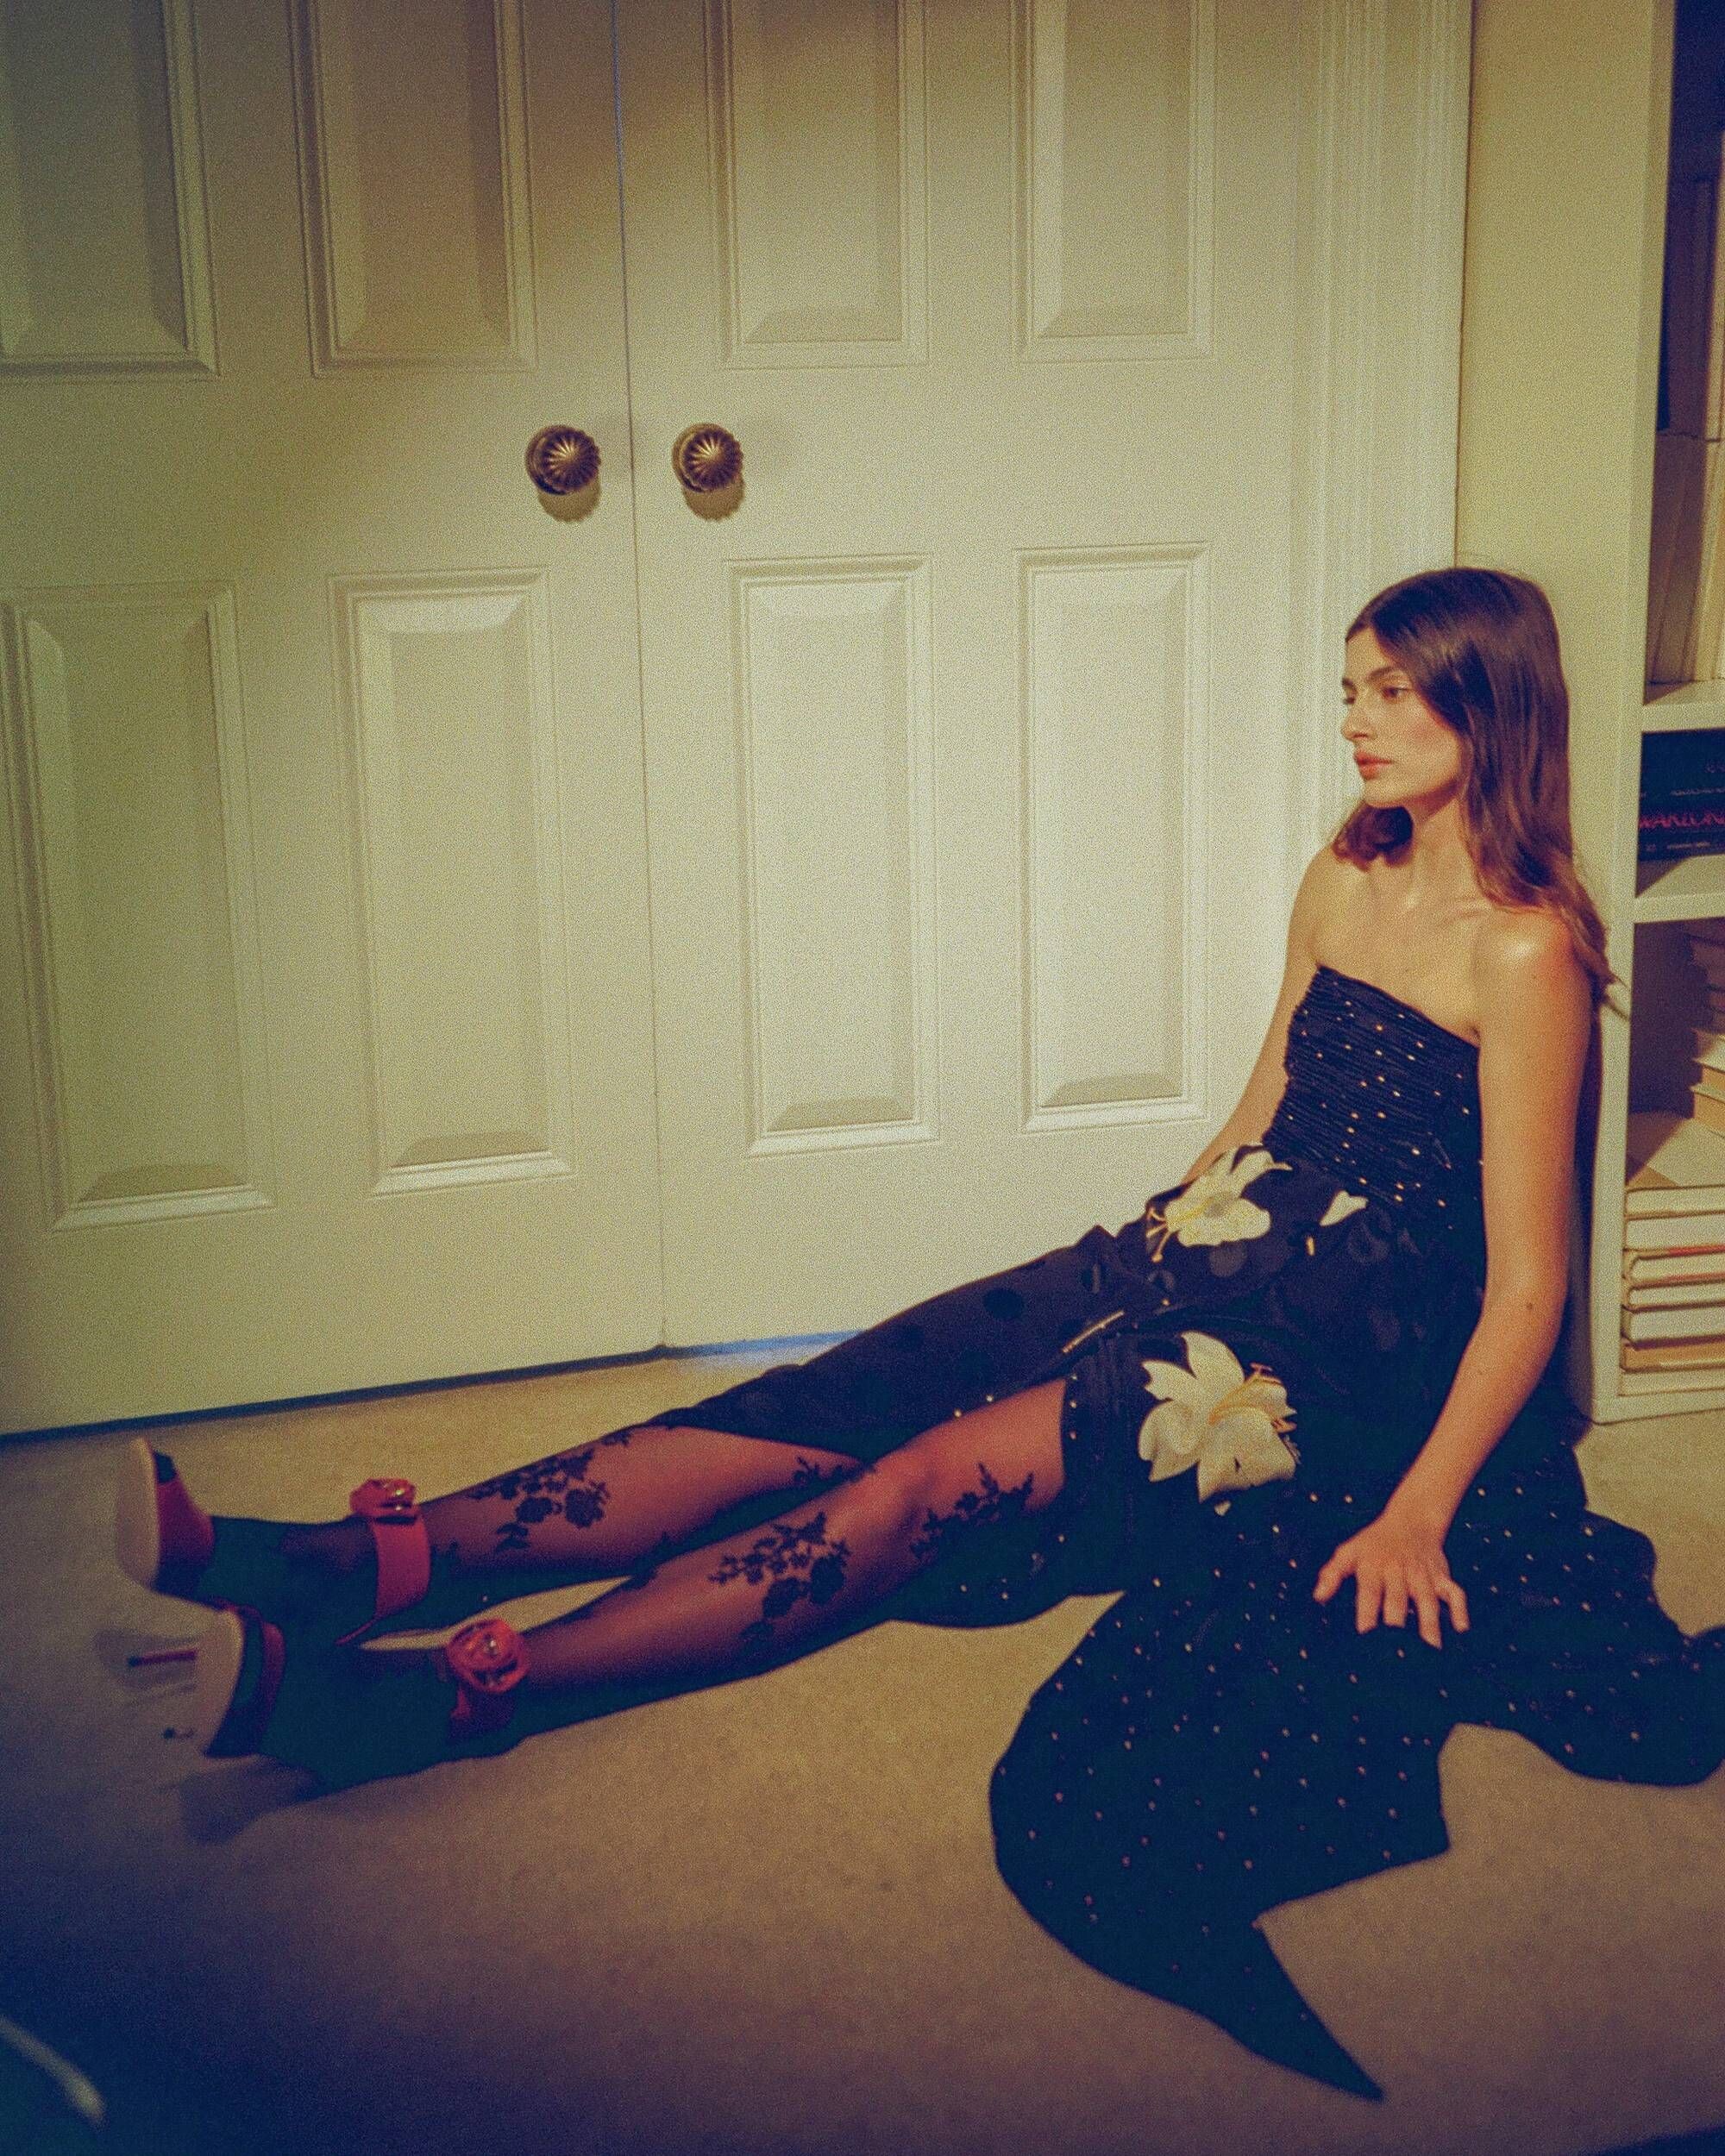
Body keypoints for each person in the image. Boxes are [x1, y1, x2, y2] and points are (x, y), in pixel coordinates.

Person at [116, 565, 1724, 2099]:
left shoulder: (1527, 945)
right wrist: (1137, 1261)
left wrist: (1421, 1508)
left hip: (1346, 1347)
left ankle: (436, 1700)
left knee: (925, 1484)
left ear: (1485, 706)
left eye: (1390, 693)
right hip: (1215, 1248)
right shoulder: (1343, 875)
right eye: (1349, 690)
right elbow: (1258, 1113)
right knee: (831, 1400)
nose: (1355, 720)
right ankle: (345, 1563)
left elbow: (1525, 1277)